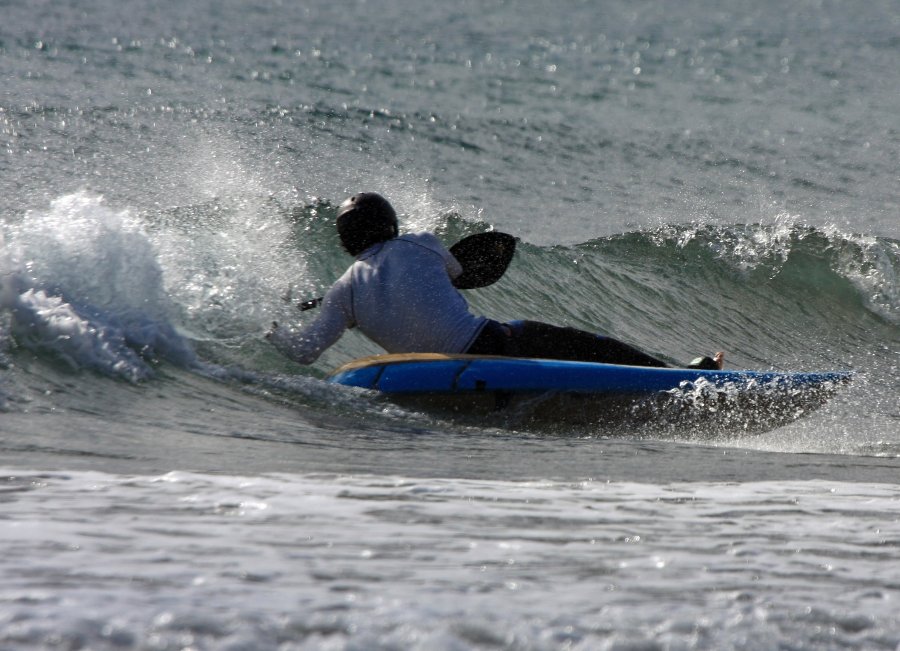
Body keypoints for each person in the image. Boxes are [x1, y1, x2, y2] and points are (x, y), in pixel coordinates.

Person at [267, 192, 724, 370]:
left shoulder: (343, 292)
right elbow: (459, 275)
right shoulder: (419, 244)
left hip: (432, 371)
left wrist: (265, 328)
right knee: (585, 344)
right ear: (390, 224)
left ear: (346, 242)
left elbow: (304, 351)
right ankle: (680, 376)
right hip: (492, 344)